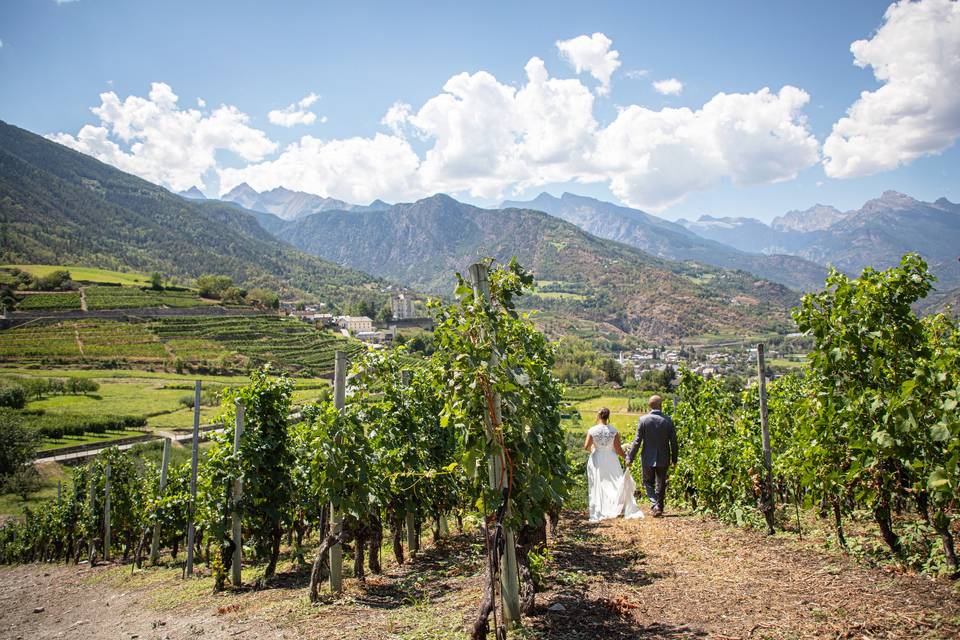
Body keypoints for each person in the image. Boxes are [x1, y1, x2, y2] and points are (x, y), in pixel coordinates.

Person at [583, 408, 644, 522]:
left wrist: (592, 449)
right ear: (608, 417)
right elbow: (618, 449)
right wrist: (626, 457)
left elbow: (586, 446)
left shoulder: (592, 430)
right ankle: (616, 506)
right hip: (611, 458)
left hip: (597, 459)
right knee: (614, 482)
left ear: (598, 416)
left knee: (598, 483)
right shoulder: (613, 431)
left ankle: (600, 508)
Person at [625, 395, 678, 518]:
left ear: (649, 406)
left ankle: (655, 504)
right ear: (661, 405)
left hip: (647, 457)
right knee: (661, 482)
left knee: (648, 482)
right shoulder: (668, 420)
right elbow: (674, 442)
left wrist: (630, 457)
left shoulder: (643, 420)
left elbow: (637, 441)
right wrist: (674, 458)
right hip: (664, 456)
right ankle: (659, 506)